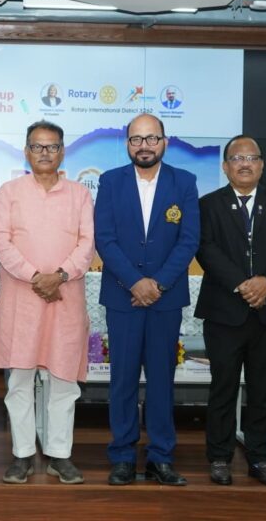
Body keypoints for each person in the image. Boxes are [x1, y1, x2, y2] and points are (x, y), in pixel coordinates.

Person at [95, 113, 200, 486]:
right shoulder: (110, 182)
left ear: (164, 142)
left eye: (151, 138)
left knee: (161, 380)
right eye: (136, 139)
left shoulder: (184, 182)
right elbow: (105, 239)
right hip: (123, 298)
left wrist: (157, 284)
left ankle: (160, 457)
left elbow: (189, 240)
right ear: (127, 144)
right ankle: (123, 456)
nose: (144, 146)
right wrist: (135, 283)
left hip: (164, 300)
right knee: (122, 379)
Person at [0, 121, 95, 485]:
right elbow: (1, 243)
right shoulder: (9, 192)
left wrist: (60, 276)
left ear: (63, 151)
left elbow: (87, 244)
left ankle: (59, 455)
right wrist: (36, 276)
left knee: (63, 381)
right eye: (37, 147)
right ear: (26, 152)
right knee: (20, 381)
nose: (45, 153)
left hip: (65, 299)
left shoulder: (80, 194)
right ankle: (22, 455)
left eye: (52, 146)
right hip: (21, 300)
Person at [195, 135, 266, 487]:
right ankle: (219, 457)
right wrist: (243, 285)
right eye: (237, 158)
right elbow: (205, 249)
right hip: (224, 312)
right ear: (225, 166)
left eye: (251, 158)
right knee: (223, 388)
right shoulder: (208, 205)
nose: (244, 164)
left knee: (263, 390)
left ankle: (260, 457)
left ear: (262, 165)